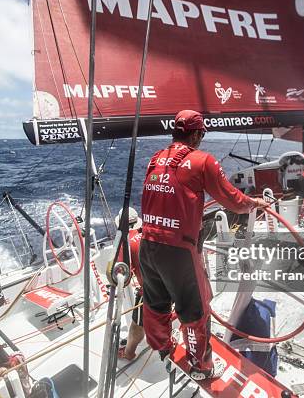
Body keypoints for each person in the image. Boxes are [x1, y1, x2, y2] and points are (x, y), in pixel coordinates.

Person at [139, 109, 267, 380]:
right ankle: (201, 367)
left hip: (147, 245)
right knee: (196, 311)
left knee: (155, 303)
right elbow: (232, 199)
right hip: (178, 253)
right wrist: (253, 204)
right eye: (202, 134)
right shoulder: (202, 161)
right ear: (196, 134)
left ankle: (162, 346)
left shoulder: (154, 159)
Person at [114, 207, 145, 361]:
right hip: (172, 281)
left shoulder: (125, 243)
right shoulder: (150, 230)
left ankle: (129, 353)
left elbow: (125, 277)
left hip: (151, 290)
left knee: (137, 324)